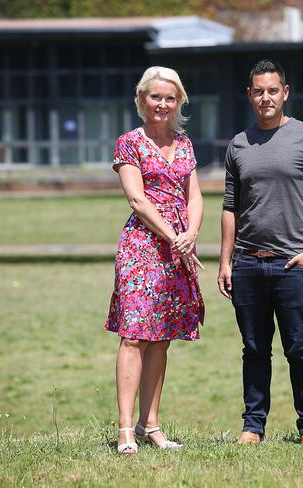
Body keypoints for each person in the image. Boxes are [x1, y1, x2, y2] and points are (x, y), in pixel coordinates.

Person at [218, 59, 303, 447]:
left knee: (300, 349)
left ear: (285, 92)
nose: (265, 97)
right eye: (258, 91)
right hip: (248, 264)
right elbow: (230, 206)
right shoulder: (238, 144)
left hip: (293, 264)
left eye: (272, 90)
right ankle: (253, 426)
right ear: (249, 95)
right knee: (254, 351)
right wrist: (225, 261)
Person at [105, 66, 205, 455]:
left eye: (169, 97)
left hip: (178, 246)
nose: (162, 104)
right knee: (134, 336)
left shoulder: (184, 143)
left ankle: (152, 426)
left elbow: (194, 196)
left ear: (178, 101)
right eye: (155, 96)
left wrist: (190, 235)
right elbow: (137, 199)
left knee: (161, 339)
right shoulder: (129, 142)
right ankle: (126, 430)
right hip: (142, 246)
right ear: (142, 99)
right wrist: (173, 237)